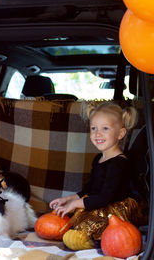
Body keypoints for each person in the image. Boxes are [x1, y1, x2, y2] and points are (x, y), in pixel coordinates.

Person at [49, 102, 139, 249]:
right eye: (93, 128)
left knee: (86, 227)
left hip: (113, 210)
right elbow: (90, 188)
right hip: (98, 203)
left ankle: (101, 241)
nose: (98, 134)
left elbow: (105, 197)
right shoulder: (98, 158)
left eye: (105, 128)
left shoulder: (119, 163)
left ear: (120, 133)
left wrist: (75, 204)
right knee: (72, 218)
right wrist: (68, 199)